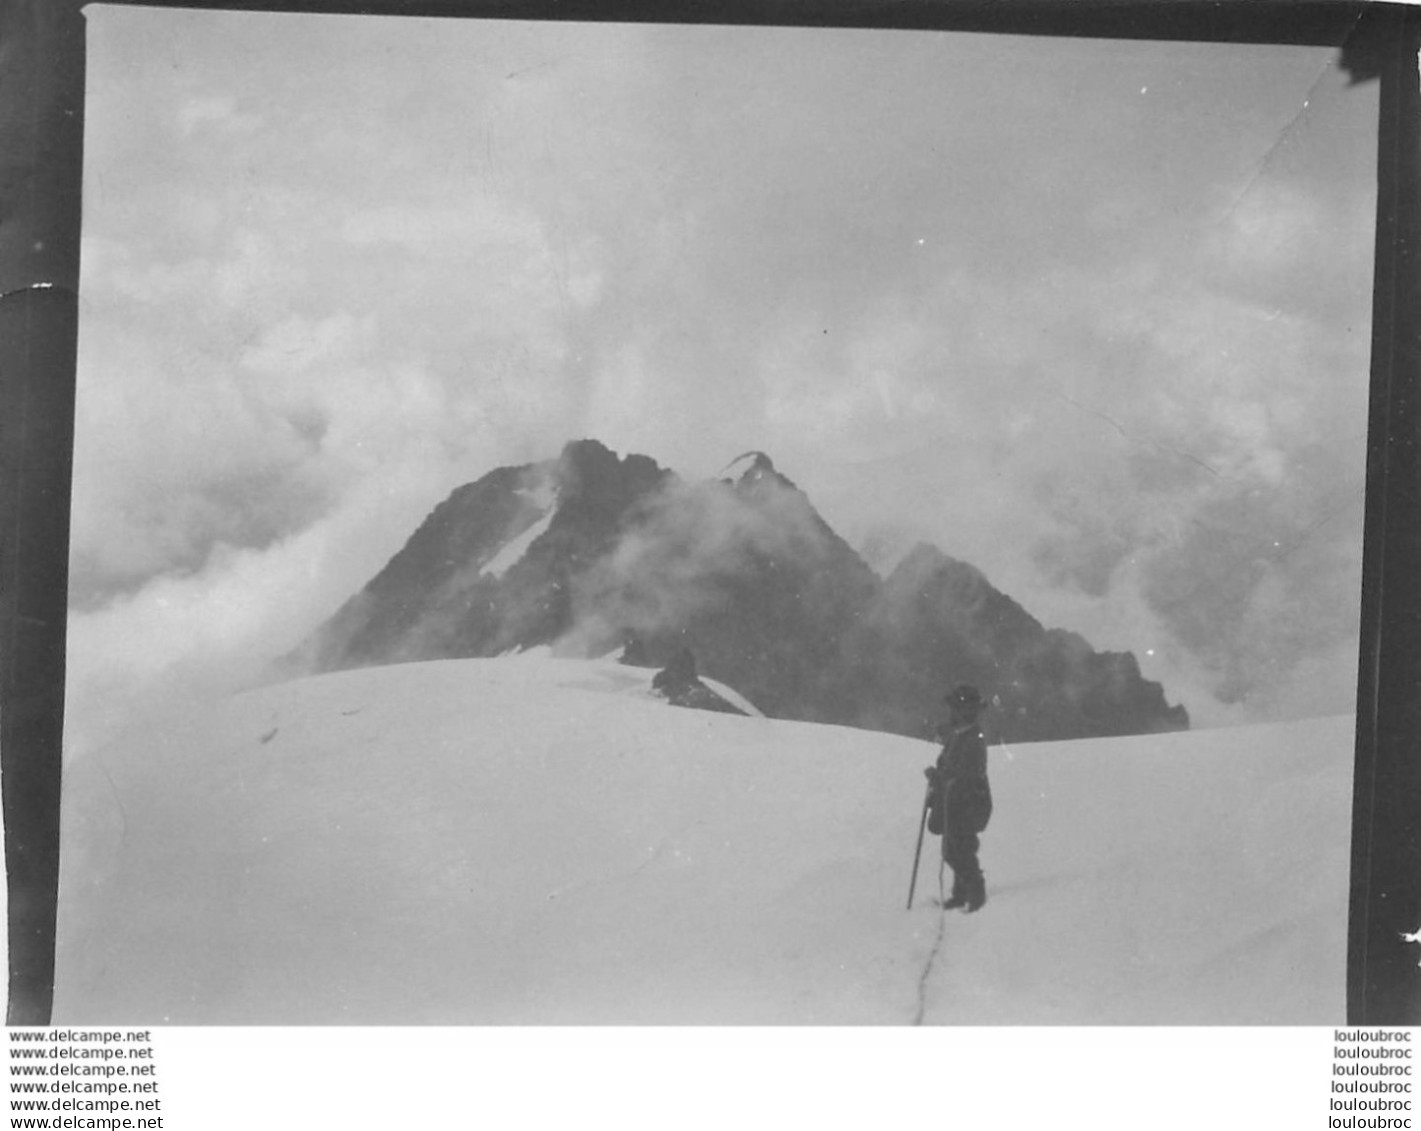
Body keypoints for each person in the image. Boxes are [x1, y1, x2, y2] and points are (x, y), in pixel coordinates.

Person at [925, 684, 993, 912]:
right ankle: (961, 894)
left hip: (967, 803)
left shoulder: (972, 739)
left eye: (956, 708)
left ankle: (975, 893)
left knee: (959, 850)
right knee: (954, 848)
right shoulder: (960, 735)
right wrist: (938, 778)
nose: (952, 713)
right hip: (957, 802)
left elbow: (966, 776)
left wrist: (940, 778)